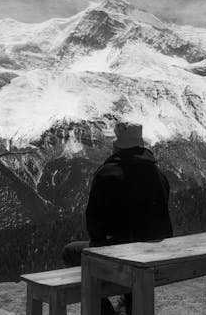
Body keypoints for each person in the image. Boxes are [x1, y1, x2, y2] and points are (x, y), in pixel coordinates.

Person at [62, 121, 173, 314]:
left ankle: (105, 310)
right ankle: (130, 303)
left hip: (119, 253)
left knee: (70, 252)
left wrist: (100, 241)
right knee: (135, 250)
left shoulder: (107, 174)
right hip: (155, 253)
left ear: (117, 145)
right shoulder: (158, 173)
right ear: (140, 145)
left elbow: (94, 224)